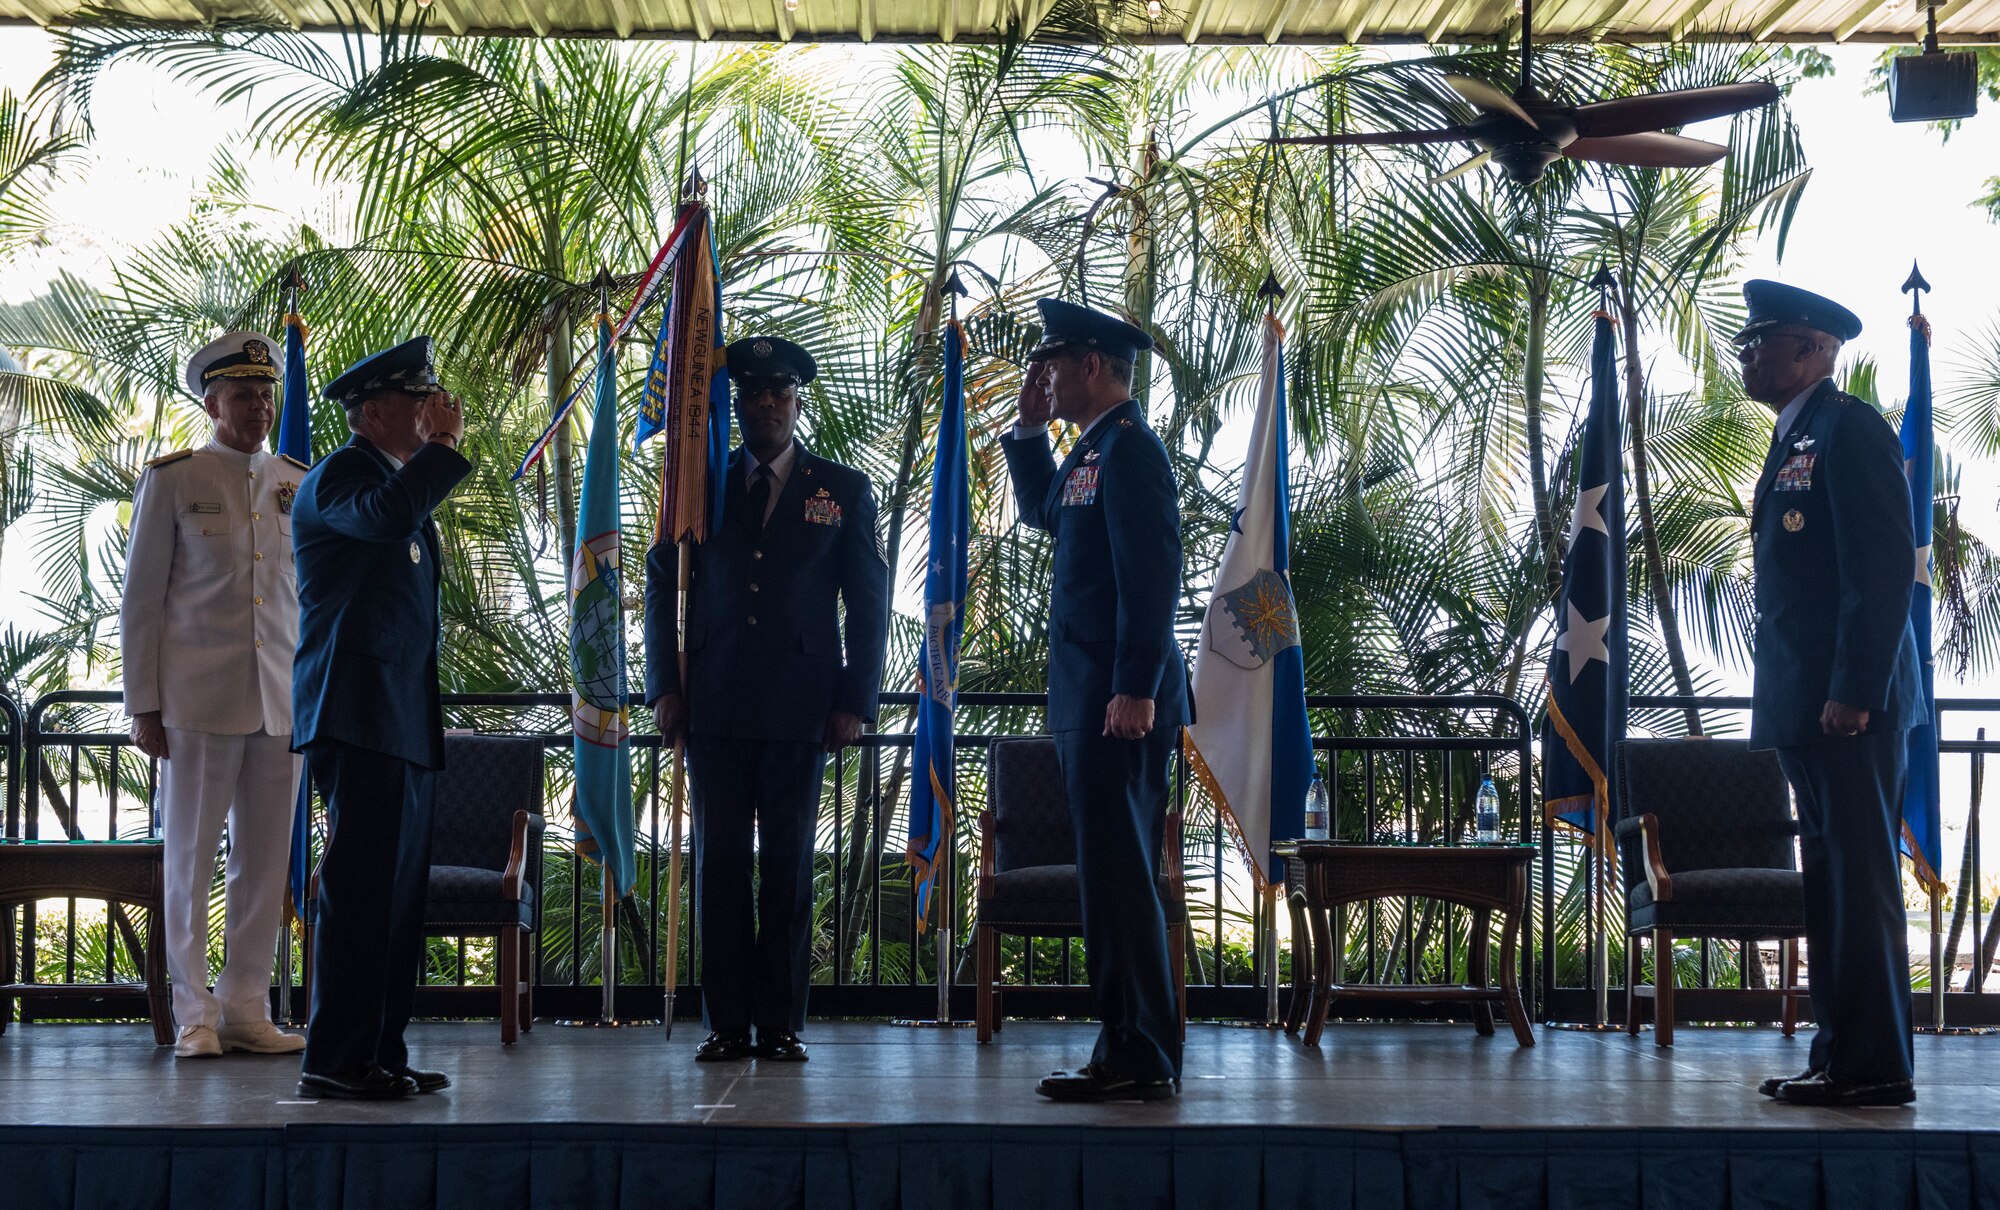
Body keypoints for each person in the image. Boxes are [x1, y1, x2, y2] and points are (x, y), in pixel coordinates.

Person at [644, 335, 890, 1064]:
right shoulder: (699, 483)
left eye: (780, 393)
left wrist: (856, 701)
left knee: (787, 866)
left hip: (801, 707)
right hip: (714, 703)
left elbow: (868, 605)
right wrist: (665, 687)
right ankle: (726, 1023)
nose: (767, 406)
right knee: (720, 865)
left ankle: (780, 1023)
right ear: (738, 404)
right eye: (754, 394)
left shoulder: (841, 489)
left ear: (797, 403)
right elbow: (663, 587)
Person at [1737, 280, 1922, 1108]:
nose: (1748, 354)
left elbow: (1880, 572)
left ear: (1812, 349)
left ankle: (1876, 1064)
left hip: (1850, 708)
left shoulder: (1849, 429)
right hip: (1807, 704)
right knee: (1831, 888)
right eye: (1747, 342)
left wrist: (1854, 691)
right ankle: (1840, 1056)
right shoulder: (1795, 438)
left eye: (1763, 341)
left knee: (1859, 883)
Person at [1000, 299, 1189, 1103]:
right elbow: (1047, 513)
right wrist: (1028, 434)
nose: (1042, 375)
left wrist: (1135, 685)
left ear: (1089, 365)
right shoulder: (1094, 450)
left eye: (1052, 362)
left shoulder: (1132, 450)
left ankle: (1139, 1054)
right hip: (1093, 696)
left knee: (1121, 879)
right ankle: (1127, 1046)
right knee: (1108, 881)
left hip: (1120, 702)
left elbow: (1152, 574)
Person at [291, 336, 471, 1100]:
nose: (433, 407)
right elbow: (386, 519)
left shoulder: (395, 483)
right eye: (416, 397)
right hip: (356, 710)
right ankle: (335, 1058)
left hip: (398, 717)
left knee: (397, 901)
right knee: (361, 892)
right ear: (371, 412)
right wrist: (443, 450)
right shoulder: (341, 476)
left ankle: (381, 1051)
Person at [122, 331, 308, 1059]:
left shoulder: (295, 479)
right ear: (212, 404)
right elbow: (142, 601)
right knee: (190, 862)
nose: (259, 407)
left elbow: (304, 600)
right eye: (243, 396)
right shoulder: (175, 478)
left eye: (266, 395)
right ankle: (194, 1012)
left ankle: (245, 1007)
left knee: (263, 866)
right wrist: (144, 705)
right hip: (197, 702)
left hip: (279, 701)